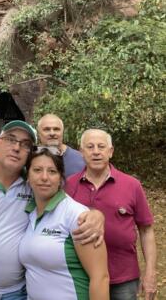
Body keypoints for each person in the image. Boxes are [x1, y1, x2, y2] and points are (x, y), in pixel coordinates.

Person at [0, 120, 104, 300]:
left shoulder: (32, 183)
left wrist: (96, 216)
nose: (17, 148)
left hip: (18, 293)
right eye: (11, 139)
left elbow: (65, 204)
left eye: (25, 144)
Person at [65, 129, 157, 300]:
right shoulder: (69, 186)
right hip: (82, 276)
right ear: (81, 152)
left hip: (123, 279)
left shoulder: (132, 185)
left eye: (101, 146)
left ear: (110, 151)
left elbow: (146, 230)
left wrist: (150, 272)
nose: (96, 152)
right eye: (90, 147)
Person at [19, 146, 109, 300]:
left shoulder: (77, 216)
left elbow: (100, 277)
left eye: (52, 171)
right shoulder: (30, 214)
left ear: (61, 179)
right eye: (37, 170)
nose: (44, 177)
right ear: (28, 176)